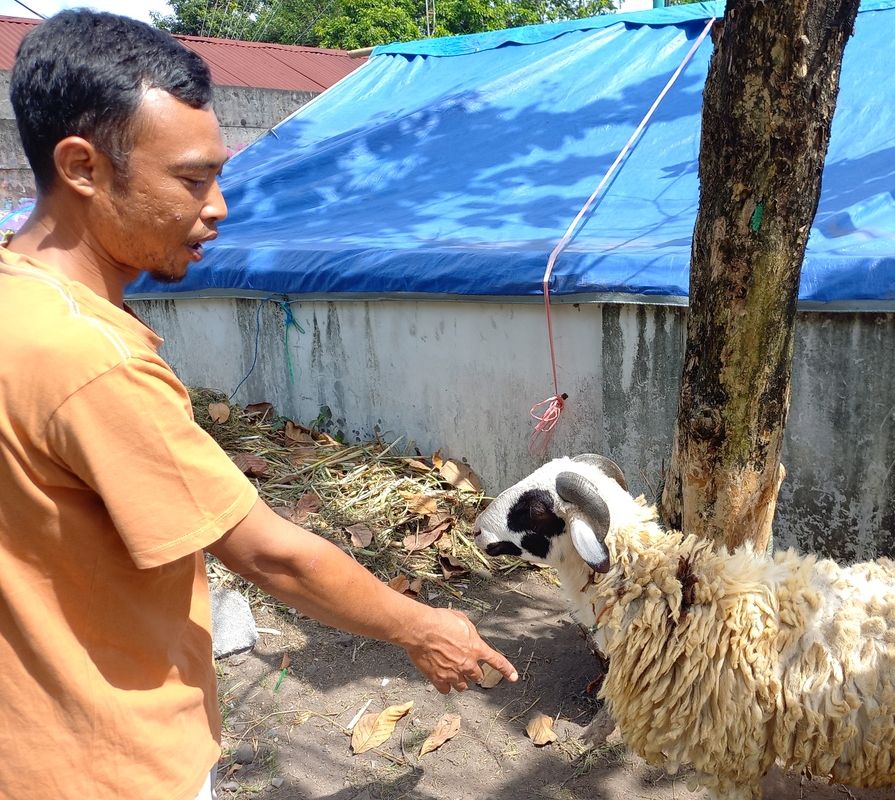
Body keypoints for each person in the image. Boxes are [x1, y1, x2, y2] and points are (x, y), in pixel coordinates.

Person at [0, 10, 517, 800]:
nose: (219, 208)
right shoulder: (91, 360)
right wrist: (419, 625)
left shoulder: (15, 301)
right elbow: (269, 553)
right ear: (83, 167)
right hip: (112, 763)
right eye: (191, 179)